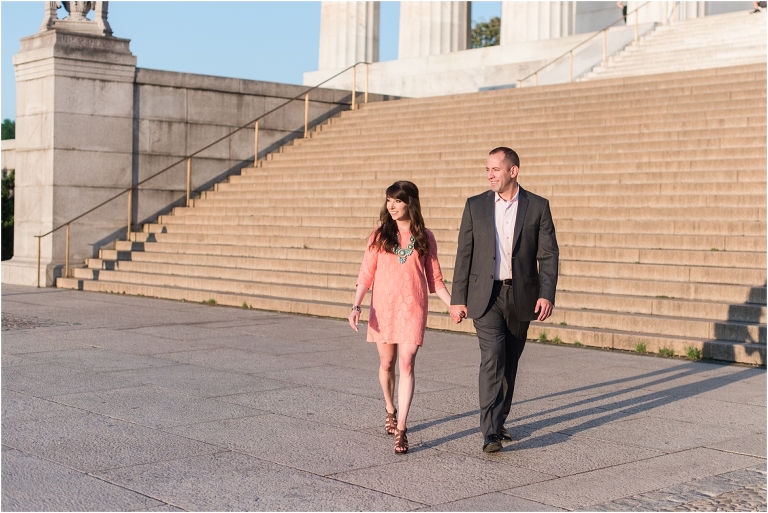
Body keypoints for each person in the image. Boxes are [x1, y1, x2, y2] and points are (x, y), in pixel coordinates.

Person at [449, 147, 559, 453]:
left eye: (495, 169)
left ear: (513, 171)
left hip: (521, 295)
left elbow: (548, 255)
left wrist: (546, 294)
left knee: (510, 362)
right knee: (493, 358)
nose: (489, 175)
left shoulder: (537, 206)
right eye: (487, 169)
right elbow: (464, 253)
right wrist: (458, 298)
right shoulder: (475, 205)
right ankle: (491, 433)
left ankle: (499, 419)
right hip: (486, 296)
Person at [349, 180, 452, 454]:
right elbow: (366, 273)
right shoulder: (379, 235)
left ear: (410, 203)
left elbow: (435, 279)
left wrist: (453, 305)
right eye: (389, 200)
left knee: (406, 364)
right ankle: (390, 408)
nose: (391, 206)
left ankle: (402, 429)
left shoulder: (424, 237)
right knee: (387, 364)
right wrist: (356, 306)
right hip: (383, 308)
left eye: (397, 201)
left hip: (413, 308)